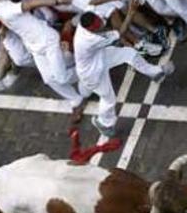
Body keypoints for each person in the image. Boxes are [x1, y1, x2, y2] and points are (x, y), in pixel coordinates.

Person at [74, 9, 174, 137]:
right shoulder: (89, 40)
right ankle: (103, 123)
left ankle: (156, 72)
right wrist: (130, 14)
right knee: (109, 99)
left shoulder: (85, 24)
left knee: (129, 53)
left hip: (100, 57)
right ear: (91, 29)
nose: (101, 25)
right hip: (92, 73)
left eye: (99, 22)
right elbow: (120, 33)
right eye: (97, 26)